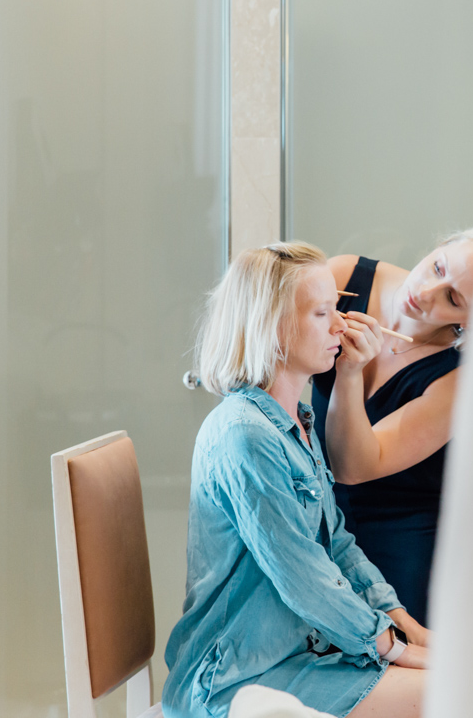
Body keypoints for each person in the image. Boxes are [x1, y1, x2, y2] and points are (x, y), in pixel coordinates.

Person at [162, 242, 427, 718]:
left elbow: (337, 546)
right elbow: (304, 576)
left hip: (295, 657)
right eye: (323, 313)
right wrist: (395, 648)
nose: (342, 325)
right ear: (275, 327)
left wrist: (404, 623)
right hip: (231, 682)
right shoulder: (245, 436)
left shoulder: (296, 423)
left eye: (338, 309)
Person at [312, 229, 473, 627]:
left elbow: (353, 467)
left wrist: (350, 373)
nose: (426, 291)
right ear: (438, 245)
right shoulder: (344, 278)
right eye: (438, 266)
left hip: (400, 531)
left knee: (397, 656)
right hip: (314, 511)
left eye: (452, 298)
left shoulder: (462, 377)